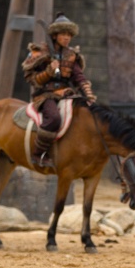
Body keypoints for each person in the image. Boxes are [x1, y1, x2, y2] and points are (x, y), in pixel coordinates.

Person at [20, 14, 96, 169]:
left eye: (69, 35)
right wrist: (48, 71)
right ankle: (39, 153)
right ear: (55, 35)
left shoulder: (71, 55)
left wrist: (88, 96)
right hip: (45, 95)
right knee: (54, 118)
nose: (67, 38)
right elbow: (32, 79)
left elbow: (79, 78)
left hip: (67, 94)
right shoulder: (39, 52)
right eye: (63, 34)